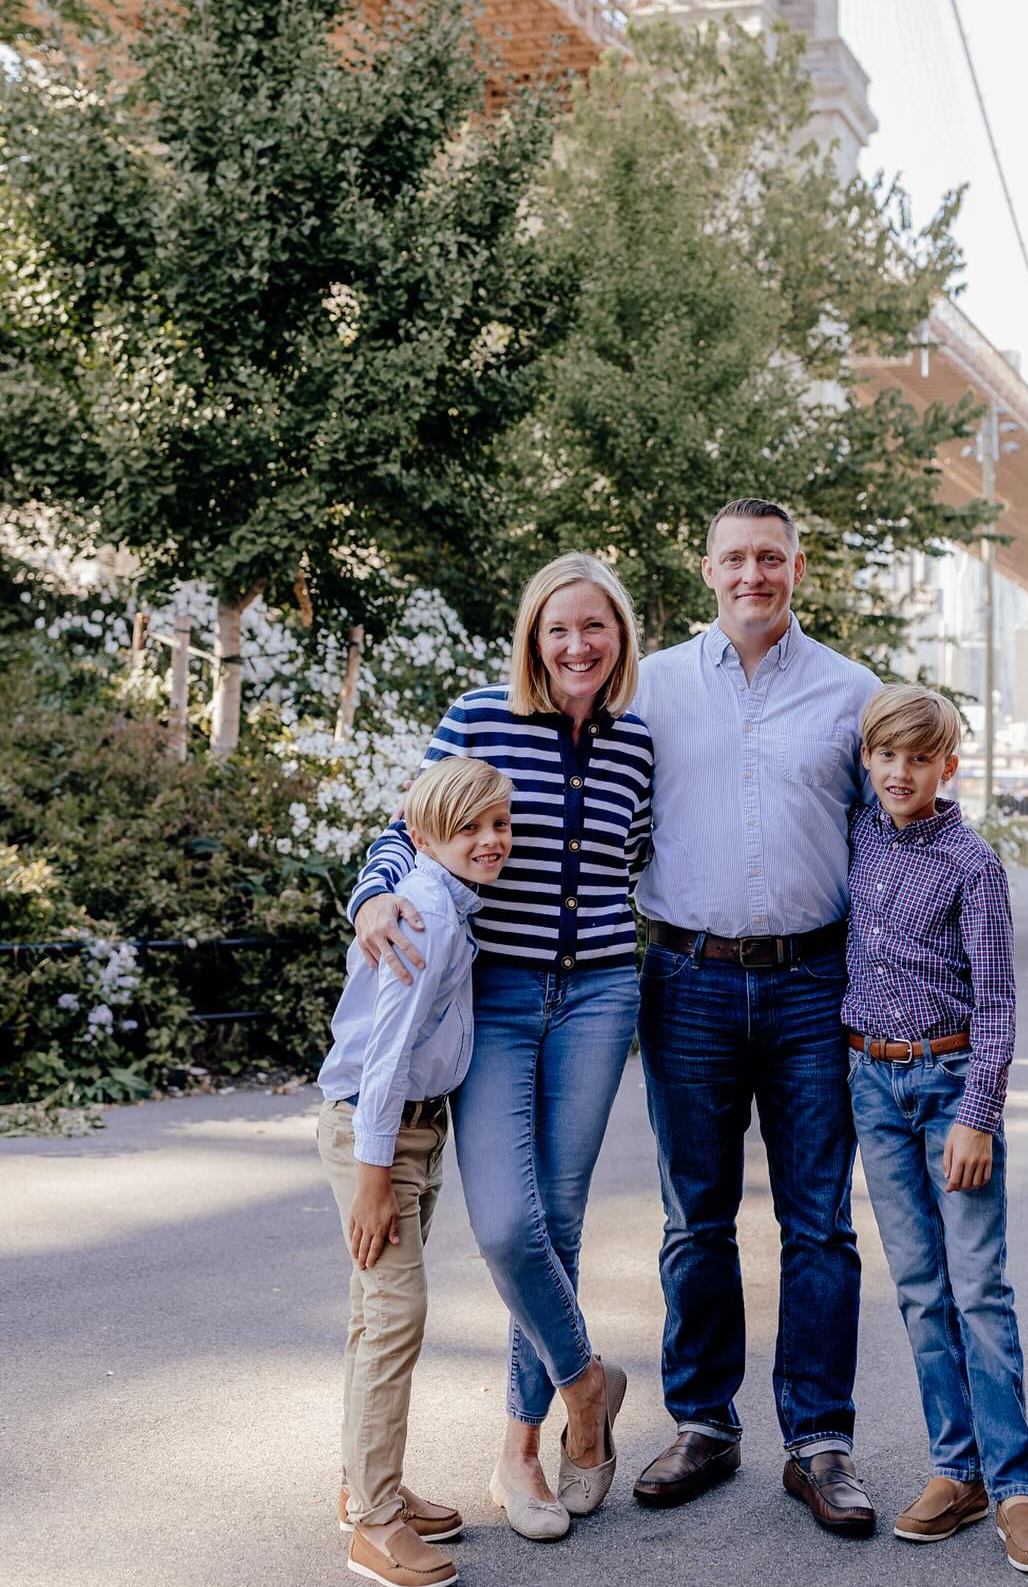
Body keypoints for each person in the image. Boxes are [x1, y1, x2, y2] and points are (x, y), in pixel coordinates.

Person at [348, 554, 652, 1543]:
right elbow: (409, 825)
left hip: (603, 992)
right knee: (511, 1226)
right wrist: (375, 894)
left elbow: (634, 859)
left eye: (594, 627)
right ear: (533, 636)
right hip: (501, 994)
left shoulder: (639, 740)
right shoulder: (479, 715)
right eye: (557, 628)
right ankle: (587, 1385)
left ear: (619, 638)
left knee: (560, 1214)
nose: (576, 645)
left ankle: (522, 1446)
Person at [630, 498, 882, 1537]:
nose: (753, 573)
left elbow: (887, 851)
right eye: (735, 556)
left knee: (818, 1219)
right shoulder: (650, 687)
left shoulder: (852, 692)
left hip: (813, 983)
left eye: (770, 557)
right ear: (707, 568)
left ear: (798, 567)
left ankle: (819, 1440)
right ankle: (703, 1421)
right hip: (684, 977)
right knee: (696, 1215)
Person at [844, 683, 1028, 1572]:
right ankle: (955, 1470)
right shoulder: (857, 834)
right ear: (869, 761)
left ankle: (1015, 1488)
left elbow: (1001, 1007)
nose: (901, 771)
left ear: (948, 766)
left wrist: (979, 1112)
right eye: (886, 755)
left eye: (919, 758)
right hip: (871, 1085)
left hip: (947, 1085)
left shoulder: (974, 865)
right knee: (920, 1290)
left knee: (977, 1287)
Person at [317, 756, 514, 1587]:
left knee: (376, 1314)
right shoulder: (425, 914)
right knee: (397, 1316)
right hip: (381, 1133)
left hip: (413, 1134)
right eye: (469, 827)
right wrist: (373, 1173)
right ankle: (374, 1525)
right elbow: (388, 1052)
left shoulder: (447, 903)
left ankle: (368, 1484)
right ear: (423, 837)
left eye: (499, 824)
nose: (490, 840)